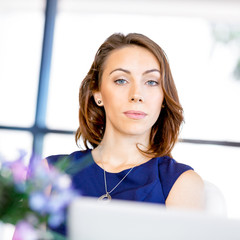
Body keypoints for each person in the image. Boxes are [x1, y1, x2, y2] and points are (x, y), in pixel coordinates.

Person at [46, 32, 205, 236]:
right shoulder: (50, 173)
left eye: (151, 82)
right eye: (121, 80)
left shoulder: (180, 183)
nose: (136, 95)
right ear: (98, 93)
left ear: (163, 97)